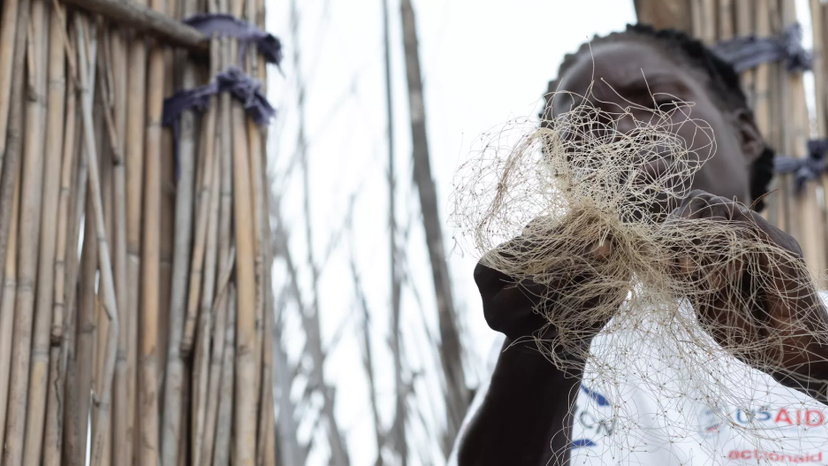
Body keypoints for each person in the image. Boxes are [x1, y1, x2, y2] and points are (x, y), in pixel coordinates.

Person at [450, 24, 828, 466]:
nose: (627, 132)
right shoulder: (553, 339)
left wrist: (816, 360)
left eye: (661, 104)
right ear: (565, 181)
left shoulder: (817, 323)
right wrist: (541, 346)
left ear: (744, 135)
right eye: (587, 128)